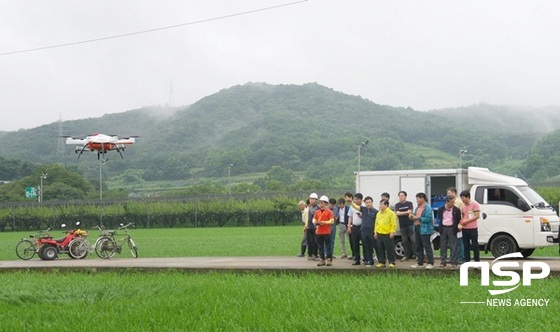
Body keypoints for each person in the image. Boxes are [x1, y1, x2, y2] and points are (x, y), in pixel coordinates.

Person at [350, 196, 378, 267]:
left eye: (369, 202)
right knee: (366, 246)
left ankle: (381, 260)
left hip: (371, 231)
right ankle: (369, 261)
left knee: (375, 246)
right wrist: (351, 202)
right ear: (364, 203)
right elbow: (355, 206)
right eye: (367, 202)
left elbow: (378, 222)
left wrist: (376, 231)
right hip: (363, 231)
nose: (368, 204)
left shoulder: (376, 211)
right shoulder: (363, 209)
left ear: (372, 202)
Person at [409, 192, 435, 269]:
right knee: (418, 246)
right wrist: (411, 216)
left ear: (422, 198)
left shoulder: (427, 208)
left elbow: (427, 219)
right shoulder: (417, 208)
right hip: (417, 228)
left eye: (418, 198)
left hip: (425, 229)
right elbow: (415, 215)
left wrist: (416, 218)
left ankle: (430, 262)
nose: (417, 200)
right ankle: (420, 262)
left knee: (427, 246)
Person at [437, 195, 461, 268]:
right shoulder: (441, 209)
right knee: (443, 245)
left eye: (453, 202)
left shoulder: (456, 210)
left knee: (453, 246)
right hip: (443, 228)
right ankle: (443, 261)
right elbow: (439, 217)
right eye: (451, 202)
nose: (453, 204)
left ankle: (454, 262)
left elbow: (458, 219)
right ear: (447, 202)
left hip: (452, 228)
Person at [374, 199, 398, 268]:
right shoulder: (378, 213)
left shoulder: (391, 213)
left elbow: (393, 224)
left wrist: (392, 232)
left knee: (389, 248)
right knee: (380, 248)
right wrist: (375, 232)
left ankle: (392, 262)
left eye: (382, 204)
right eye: (380, 204)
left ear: (386, 205)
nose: (380, 206)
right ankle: (382, 262)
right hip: (379, 233)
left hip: (387, 233)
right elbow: (376, 223)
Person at [313, 195, 335, 266]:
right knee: (320, 246)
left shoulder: (329, 212)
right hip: (319, 232)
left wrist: (324, 222)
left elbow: (332, 221)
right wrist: (315, 222)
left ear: (326, 203)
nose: (321, 204)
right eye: (320, 202)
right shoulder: (317, 212)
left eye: (322, 203)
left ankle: (329, 259)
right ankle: (322, 259)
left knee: (328, 246)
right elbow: (314, 219)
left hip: (326, 232)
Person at [460, 190, 481, 263]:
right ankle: (467, 261)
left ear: (468, 197)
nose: (462, 200)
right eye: (461, 198)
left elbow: (477, 216)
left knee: (475, 245)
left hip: (472, 228)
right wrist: (462, 222)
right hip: (464, 228)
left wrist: (467, 221)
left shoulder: (475, 205)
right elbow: (463, 216)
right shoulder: (463, 206)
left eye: (463, 198)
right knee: (466, 246)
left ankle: (476, 260)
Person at [394, 191, 415, 262]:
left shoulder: (409, 203)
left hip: (410, 225)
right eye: (399, 196)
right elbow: (397, 213)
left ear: (405, 196)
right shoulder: (397, 205)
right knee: (404, 241)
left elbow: (410, 211)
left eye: (402, 195)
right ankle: (406, 255)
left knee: (413, 240)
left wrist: (402, 213)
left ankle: (417, 255)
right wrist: (406, 212)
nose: (401, 197)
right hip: (402, 226)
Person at [447, 187, 465, 264]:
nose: (447, 195)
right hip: (450, 225)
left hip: (458, 225)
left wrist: (460, 225)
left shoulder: (459, 202)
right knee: (452, 243)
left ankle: (460, 258)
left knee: (459, 242)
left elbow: (461, 214)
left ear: (454, 193)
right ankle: (453, 258)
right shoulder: (448, 202)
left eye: (449, 193)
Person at [347, 193, 364, 265]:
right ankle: (357, 259)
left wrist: (362, 216)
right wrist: (349, 226)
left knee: (365, 243)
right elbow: (350, 217)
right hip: (355, 227)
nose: (356, 201)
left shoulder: (364, 206)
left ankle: (366, 258)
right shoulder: (352, 207)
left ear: (361, 200)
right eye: (355, 199)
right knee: (355, 243)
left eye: (357, 199)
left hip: (363, 227)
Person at [305, 193, 319, 261]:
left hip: (314, 227)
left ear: (316, 200)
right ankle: (310, 254)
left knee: (315, 241)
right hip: (309, 227)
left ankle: (315, 254)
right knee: (309, 241)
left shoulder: (317, 208)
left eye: (313, 199)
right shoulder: (310, 207)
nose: (311, 200)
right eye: (310, 199)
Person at [344, 192, 355, 260]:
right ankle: (353, 254)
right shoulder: (348, 206)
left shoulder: (353, 205)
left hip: (355, 226)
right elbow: (349, 216)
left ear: (350, 198)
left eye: (346, 197)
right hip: (349, 226)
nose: (345, 199)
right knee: (351, 241)